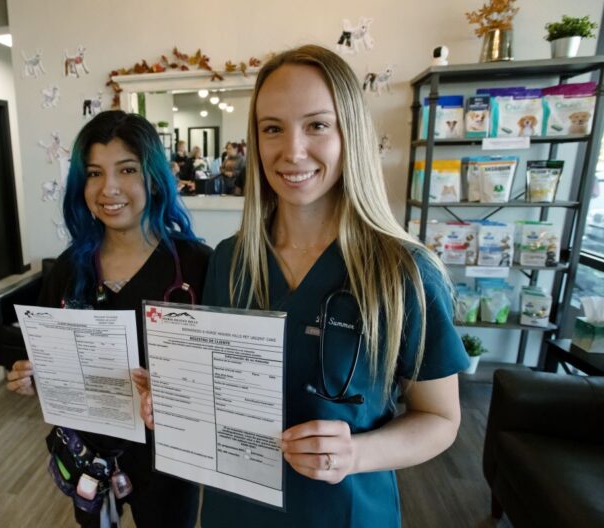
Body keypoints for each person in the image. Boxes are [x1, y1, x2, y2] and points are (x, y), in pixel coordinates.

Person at [135, 45, 468, 527]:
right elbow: (217, 390)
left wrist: (354, 453)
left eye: (317, 125)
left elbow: (441, 421)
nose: (292, 151)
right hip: (236, 509)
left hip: (343, 513)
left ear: (348, 133)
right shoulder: (230, 259)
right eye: (272, 128)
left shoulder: (403, 273)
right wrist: (174, 404)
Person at [6, 110, 210, 528]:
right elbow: (46, 356)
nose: (109, 188)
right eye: (94, 173)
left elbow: (222, 374)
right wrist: (31, 376)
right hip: (89, 456)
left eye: (127, 170)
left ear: (153, 177)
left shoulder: (198, 266)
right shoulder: (69, 269)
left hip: (169, 459)